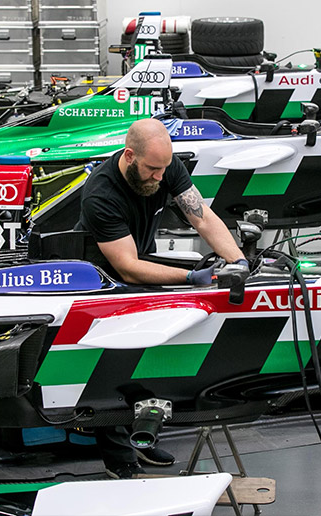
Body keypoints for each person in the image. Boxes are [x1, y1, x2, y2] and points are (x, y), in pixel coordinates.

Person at [78, 118, 248, 478]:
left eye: (163, 169)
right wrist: (191, 278)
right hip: (102, 280)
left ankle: (143, 434)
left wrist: (238, 261)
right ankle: (119, 460)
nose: (159, 177)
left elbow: (201, 217)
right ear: (129, 156)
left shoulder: (165, 165)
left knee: (148, 360)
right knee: (112, 366)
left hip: (139, 261)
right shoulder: (101, 193)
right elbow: (126, 268)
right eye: (152, 170)